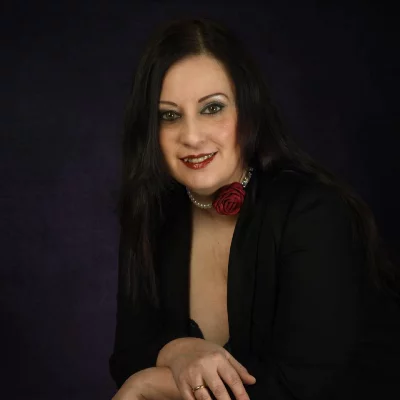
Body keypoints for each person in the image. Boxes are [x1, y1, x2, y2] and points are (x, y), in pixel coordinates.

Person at [109, 17, 400, 400]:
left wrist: (149, 383)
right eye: (170, 115)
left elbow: (304, 388)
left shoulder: (313, 211)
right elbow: (128, 356)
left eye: (212, 108)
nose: (191, 136)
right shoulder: (153, 214)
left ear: (247, 112)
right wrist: (178, 351)